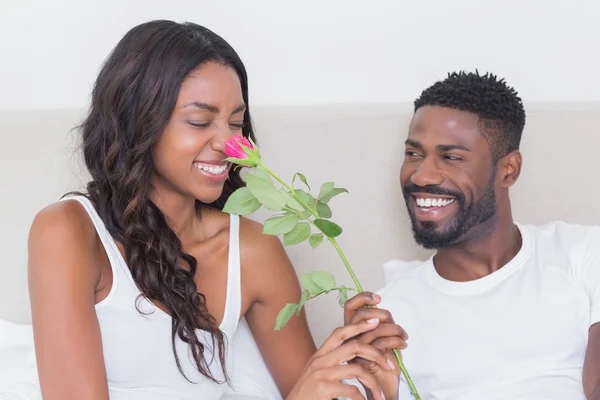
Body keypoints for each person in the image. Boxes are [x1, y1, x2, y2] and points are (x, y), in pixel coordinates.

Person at [6, 20, 400, 400]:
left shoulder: (253, 251)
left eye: (236, 122)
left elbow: (316, 391)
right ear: (136, 122)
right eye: (199, 121)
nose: (230, 144)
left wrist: (361, 368)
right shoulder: (69, 232)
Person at [343, 71, 600, 399]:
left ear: (509, 170)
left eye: (451, 157)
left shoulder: (584, 253)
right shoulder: (386, 320)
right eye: (414, 154)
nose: (422, 176)